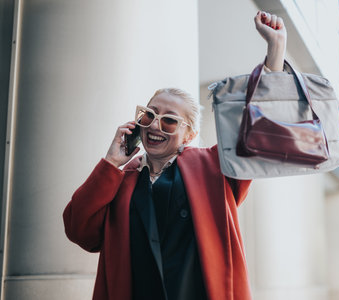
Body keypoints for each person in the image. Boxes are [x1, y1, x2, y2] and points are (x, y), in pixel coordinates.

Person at [63, 11, 286, 300]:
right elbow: (78, 229)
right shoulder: (119, 180)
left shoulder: (214, 168)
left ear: (189, 135)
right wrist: (111, 164)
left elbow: (258, 131)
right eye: (149, 115)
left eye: (169, 120)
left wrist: (275, 49)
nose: (155, 125)